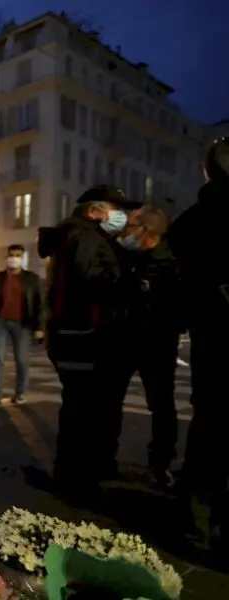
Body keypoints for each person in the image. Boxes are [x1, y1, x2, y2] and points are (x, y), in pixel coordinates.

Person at [37, 184, 142, 501]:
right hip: (84, 336)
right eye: (116, 208)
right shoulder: (84, 236)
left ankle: (84, 472)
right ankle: (75, 479)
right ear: (95, 210)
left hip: (79, 335)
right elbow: (91, 279)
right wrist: (132, 282)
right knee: (83, 410)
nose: (122, 216)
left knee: (85, 408)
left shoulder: (83, 235)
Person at [167, 136, 229, 550]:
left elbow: (182, 291)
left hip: (212, 340)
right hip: (216, 335)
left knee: (208, 425)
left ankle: (192, 507)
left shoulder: (189, 223)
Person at [113, 204, 180, 489]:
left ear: (146, 230)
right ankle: (106, 457)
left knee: (162, 406)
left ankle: (160, 463)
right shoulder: (128, 256)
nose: (126, 232)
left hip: (157, 343)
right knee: (111, 400)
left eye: (132, 226)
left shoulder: (171, 263)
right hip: (125, 339)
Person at [0, 244, 43, 405]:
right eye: (11, 255)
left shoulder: (32, 279)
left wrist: (40, 327)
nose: (14, 258)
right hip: (0, 321)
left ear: (23, 258)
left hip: (22, 323)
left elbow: (40, 304)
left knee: (21, 359)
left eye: (18, 255)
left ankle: (19, 393)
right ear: (7, 257)